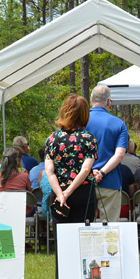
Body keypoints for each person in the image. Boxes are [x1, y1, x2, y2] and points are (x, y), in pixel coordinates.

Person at [45, 94, 98, 225]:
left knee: (62, 237)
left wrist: (61, 195)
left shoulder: (52, 139)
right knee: (83, 236)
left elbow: (49, 171)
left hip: (58, 191)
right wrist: (68, 193)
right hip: (83, 193)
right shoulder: (89, 139)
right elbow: (85, 169)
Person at [85, 85, 128, 222]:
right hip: (110, 181)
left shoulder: (80, 122)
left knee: (85, 226)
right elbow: (119, 154)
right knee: (109, 229)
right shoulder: (119, 124)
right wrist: (102, 173)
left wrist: (90, 171)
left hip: (83, 181)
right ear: (109, 102)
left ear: (91, 100)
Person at [0, 147, 33, 214]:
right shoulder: (24, 175)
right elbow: (30, 190)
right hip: (22, 211)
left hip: (4, 211)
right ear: (16, 160)